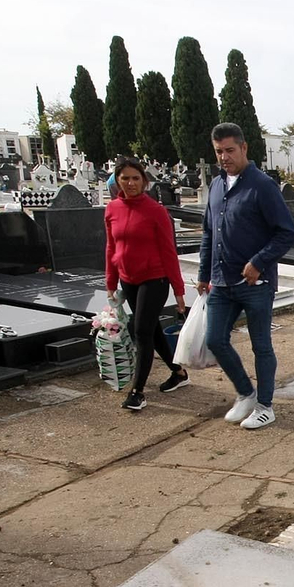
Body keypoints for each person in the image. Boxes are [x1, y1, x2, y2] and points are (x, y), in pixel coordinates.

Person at [197, 121, 294, 431]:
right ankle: (246, 393)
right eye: (218, 152)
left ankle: (266, 406)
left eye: (229, 150)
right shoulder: (216, 186)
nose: (224, 157)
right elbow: (208, 233)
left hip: (256, 283)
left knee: (261, 346)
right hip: (221, 282)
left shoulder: (261, 186)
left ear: (244, 148)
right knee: (215, 340)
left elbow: (286, 233)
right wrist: (204, 272)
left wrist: (258, 262)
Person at [104, 157, 187, 412]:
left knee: (140, 331)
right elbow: (111, 247)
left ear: (145, 181)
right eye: (125, 178)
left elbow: (168, 252)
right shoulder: (112, 210)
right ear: (117, 180)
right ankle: (178, 371)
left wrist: (179, 290)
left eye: (135, 178)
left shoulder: (156, 212)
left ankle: (137, 391)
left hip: (155, 279)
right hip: (129, 280)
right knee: (152, 331)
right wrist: (111, 281)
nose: (130, 183)